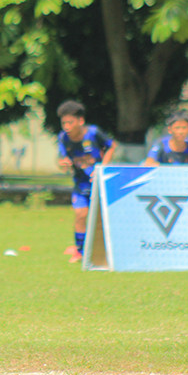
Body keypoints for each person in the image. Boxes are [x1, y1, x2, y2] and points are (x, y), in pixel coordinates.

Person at [56, 100, 116, 263]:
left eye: (70, 122)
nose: (67, 126)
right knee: (81, 214)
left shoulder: (94, 133)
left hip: (99, 185)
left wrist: (103, 168)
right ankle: (80, 251)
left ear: (80, 121)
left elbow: (111, 146)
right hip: (81, 184)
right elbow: (62, 160)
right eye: (64, 123)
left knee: (103, 219)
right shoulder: (63, 138)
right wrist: (64, 164)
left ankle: (109, 250)